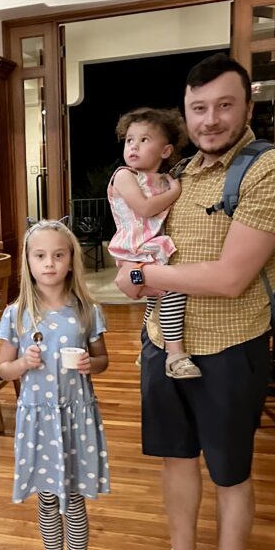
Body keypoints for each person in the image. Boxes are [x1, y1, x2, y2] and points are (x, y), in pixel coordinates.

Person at [127, 53, 275, 550]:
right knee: (176, 458)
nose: (210, 119)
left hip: (229, 346)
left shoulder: (270, 170)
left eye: (224, 105)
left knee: (230, 473)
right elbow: (144, 240)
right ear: (185, 113)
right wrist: (134, 276)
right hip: (162, 341)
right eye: (198, 108)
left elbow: (232, 277)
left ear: (247, 108)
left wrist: (149, 279)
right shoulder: (178, 175)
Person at [0, 219, 110, 550]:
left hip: (75, 417)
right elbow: (3, 370)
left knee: (74, 502)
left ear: (70, 260)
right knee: (47, 502)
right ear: (27, 262)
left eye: (58, 255)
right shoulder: (17, 314)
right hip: (38, 421)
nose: (49, 263)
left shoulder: (86, 310)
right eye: (40, 256)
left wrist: (88, 364)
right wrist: (22, 363)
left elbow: (103, 360)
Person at [108, 107, 199, 379]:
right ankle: (175, 355)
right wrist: (175, 192)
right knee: (173, 290)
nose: (133, 146)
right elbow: (146, 208)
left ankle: (148, 348)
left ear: (166, 151)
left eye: (144, 140)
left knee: (154, 302)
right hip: (134, 249)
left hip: (150, 249)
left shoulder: (161, 179)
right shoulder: (125, 175)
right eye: (129, 140)